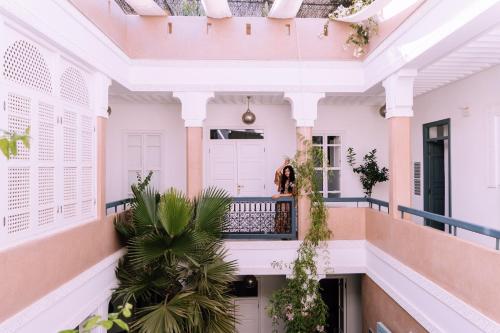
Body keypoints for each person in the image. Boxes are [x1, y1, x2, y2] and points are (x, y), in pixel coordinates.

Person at [272, 165, 296, 233]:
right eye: (285, 171)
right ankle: (280, 233)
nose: (286, 172)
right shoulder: (283, 179)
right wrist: (284, 164)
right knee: (280, 217)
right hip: (281, 202)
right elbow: (277, 171)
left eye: (288, 171)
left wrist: (279, 195)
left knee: (287, 218)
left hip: (288, 203)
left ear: (291, 171)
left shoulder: (293, 181)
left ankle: (287, 234)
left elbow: (292, 194)